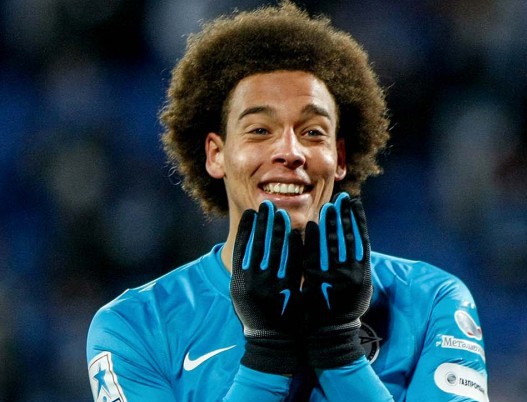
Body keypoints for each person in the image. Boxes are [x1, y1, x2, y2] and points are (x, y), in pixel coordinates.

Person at [86, 2, 488, 401]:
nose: (290, 152)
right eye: (260, 130)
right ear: (216, 155)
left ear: (340, 158)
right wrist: (267, 354)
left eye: (313, 132)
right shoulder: (135, 326)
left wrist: (338, 348)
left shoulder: (432, 300)